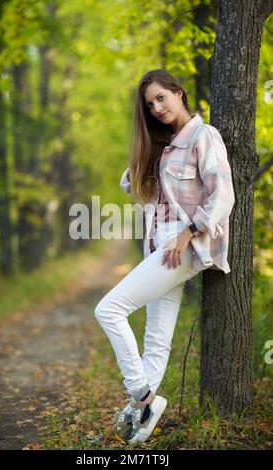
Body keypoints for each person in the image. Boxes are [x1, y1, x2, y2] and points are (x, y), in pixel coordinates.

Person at [94, 69, 235, 445]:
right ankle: (141, 418)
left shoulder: (204, 136)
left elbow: (223, 196)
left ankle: (142, 396)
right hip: (162, 244)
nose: (156, 108)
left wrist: (188, 234)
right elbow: (130, 183)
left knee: (108, 309)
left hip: (185, 243)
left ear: (179, 93)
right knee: (155, 339)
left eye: (161, 98)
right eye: (149, 104)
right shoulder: (165, 144)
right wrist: (150, 147)